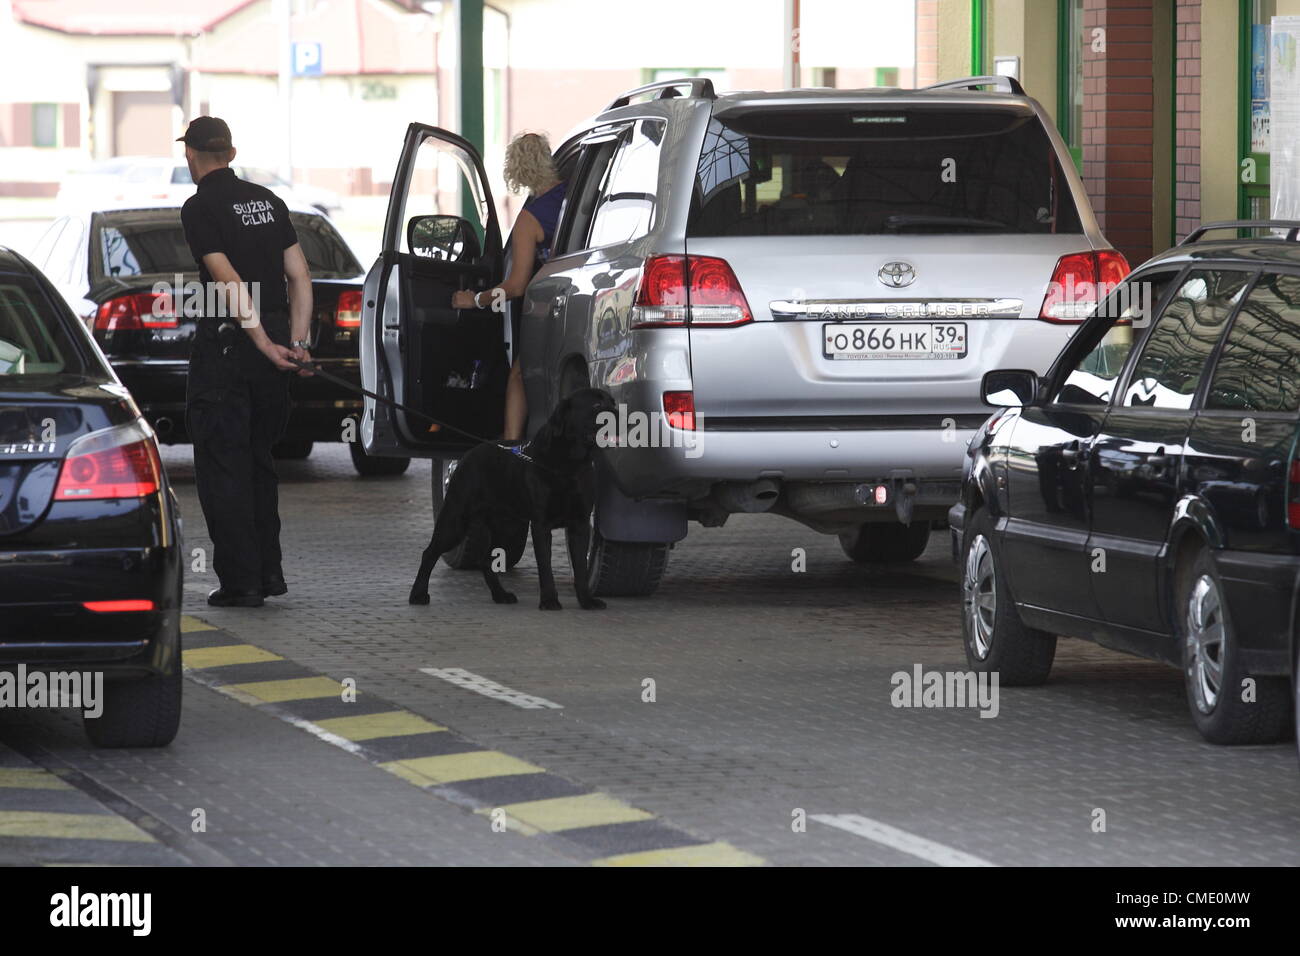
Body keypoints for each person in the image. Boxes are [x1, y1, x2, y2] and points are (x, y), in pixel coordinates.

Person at [178, 116, 313, 608]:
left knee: (222, 468)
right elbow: (299, 275)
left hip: (228, 352)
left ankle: (242, 583)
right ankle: (268, 574)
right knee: (259, 464)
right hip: (274, 352)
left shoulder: (199, 208)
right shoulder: (268, 201)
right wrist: (294, 343)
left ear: (190, 155)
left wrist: (257, 340)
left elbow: (227, 280)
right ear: (231, 155)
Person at [451, 131, 566, 443]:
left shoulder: (530, 218)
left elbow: (516, 286)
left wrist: (474, 300)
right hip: (575, 302)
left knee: (518, 374)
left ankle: (512, 443)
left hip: (545, 310)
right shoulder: (572, 195)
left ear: (515, 170)